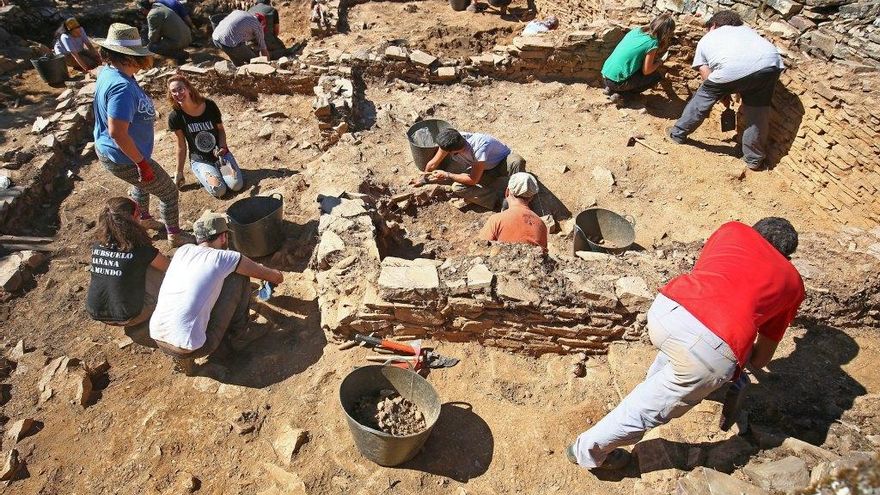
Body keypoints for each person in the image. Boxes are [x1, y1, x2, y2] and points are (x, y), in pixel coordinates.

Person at [567, 218, 804, 470]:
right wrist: (739, 355)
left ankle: (656, 388)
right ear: (787, 257)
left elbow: (712, 278)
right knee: (650, 408)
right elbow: (760, 360)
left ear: (754, 231)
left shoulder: (732, 230)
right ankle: (586, 451)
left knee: (679, 359)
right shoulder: (792, 283)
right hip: (709, 350)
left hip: (668, 310)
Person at [92, 23, 194, 247]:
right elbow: (117, 132)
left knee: (142, 184)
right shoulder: (121, 87)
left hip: (117, 152)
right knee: (168, 192)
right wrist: (141, 163)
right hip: (124, 156)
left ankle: (145, 218)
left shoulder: (110, 73)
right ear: (127, 57)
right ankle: (174, 236)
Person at [149, 211, 285, 375]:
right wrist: (276, 274)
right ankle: (241, 334)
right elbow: (275, 277)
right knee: (238, 277)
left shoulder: (182, 251)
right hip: (192, 346)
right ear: (222, 237)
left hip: (157, 336)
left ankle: (184, 356)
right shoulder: (225, 257)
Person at [668, 10, 784, 171]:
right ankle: (754, 159)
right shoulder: (748, 31)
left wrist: (720, 93)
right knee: (758, 114)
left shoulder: (708, 37)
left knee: (703, 99)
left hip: (732, 69)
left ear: (714, 25)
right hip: (770, 66)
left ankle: (678, 133)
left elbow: (705, 72)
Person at [86, 197, 170, 342]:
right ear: (133, 219)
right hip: (131, 315)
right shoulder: (139, 250)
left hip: (97, 312)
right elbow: (169, 267)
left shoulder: (98, 245)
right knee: (158, 272)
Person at [167, 74, 244, 197]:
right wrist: (179, 172)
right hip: (200, 160)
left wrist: (223, 147)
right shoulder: (175, 116)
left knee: (235, 186)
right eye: (173, 91)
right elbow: (181, 146)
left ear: (188, 88)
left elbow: (221, 130)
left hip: (220, 156)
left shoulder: (209, 105)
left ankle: (221, 170)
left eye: (180, 89)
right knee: (219, 190)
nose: (177, 94)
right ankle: (205, 172)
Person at [420, 128, 526, 210]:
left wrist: (447, 175)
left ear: (452, 151)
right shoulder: (451, 140)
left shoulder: (478, 149)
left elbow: (473, 180)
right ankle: (500, 201)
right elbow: (433, 163)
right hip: (485, 169)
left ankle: (520, 195)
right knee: (458, 187)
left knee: (516, 160)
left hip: (503, 163)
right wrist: (423, 179)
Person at [601, 14, 675, 100]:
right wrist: (659, 62)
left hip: (605, 75)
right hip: (616, 83)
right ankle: (621, 96)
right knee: (655, 76)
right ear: (666, 33)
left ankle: (609, 89)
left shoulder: (637, 30)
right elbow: (646, 71)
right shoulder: (652, 43)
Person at [479, 172, 548, 251]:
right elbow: (543, 255)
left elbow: (480, 248)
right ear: (531, 197)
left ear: (507, 192)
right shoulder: (541, 225)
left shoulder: (496, 220)